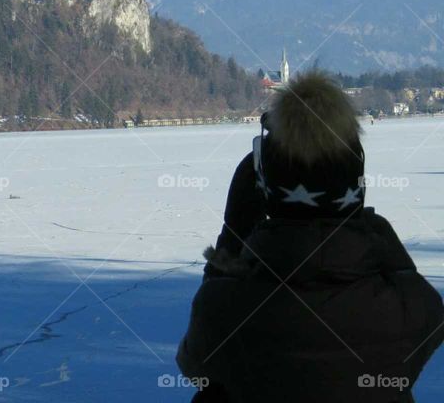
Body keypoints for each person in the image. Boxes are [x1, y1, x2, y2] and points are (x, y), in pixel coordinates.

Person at [177, 72, 444, 402]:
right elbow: (426, 308)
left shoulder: (225, 309)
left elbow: (195, 364)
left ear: (266, 191)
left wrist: (231, 243)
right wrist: (375, 232)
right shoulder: (403, 310)